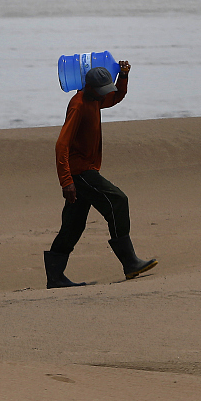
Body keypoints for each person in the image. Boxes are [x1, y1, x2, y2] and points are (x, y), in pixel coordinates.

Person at [44, 61, 156, 288]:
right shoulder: (78, 104)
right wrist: (66, 182)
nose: (104, 94)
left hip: (84, 170)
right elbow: (61, 145)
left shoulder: (95, 100)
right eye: (101, 91)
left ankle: (55, 277)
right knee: (117, 201)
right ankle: (130, 262)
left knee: (73, 225)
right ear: (91, 88)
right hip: (80, 172)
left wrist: (123, 76)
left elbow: (115, 98)